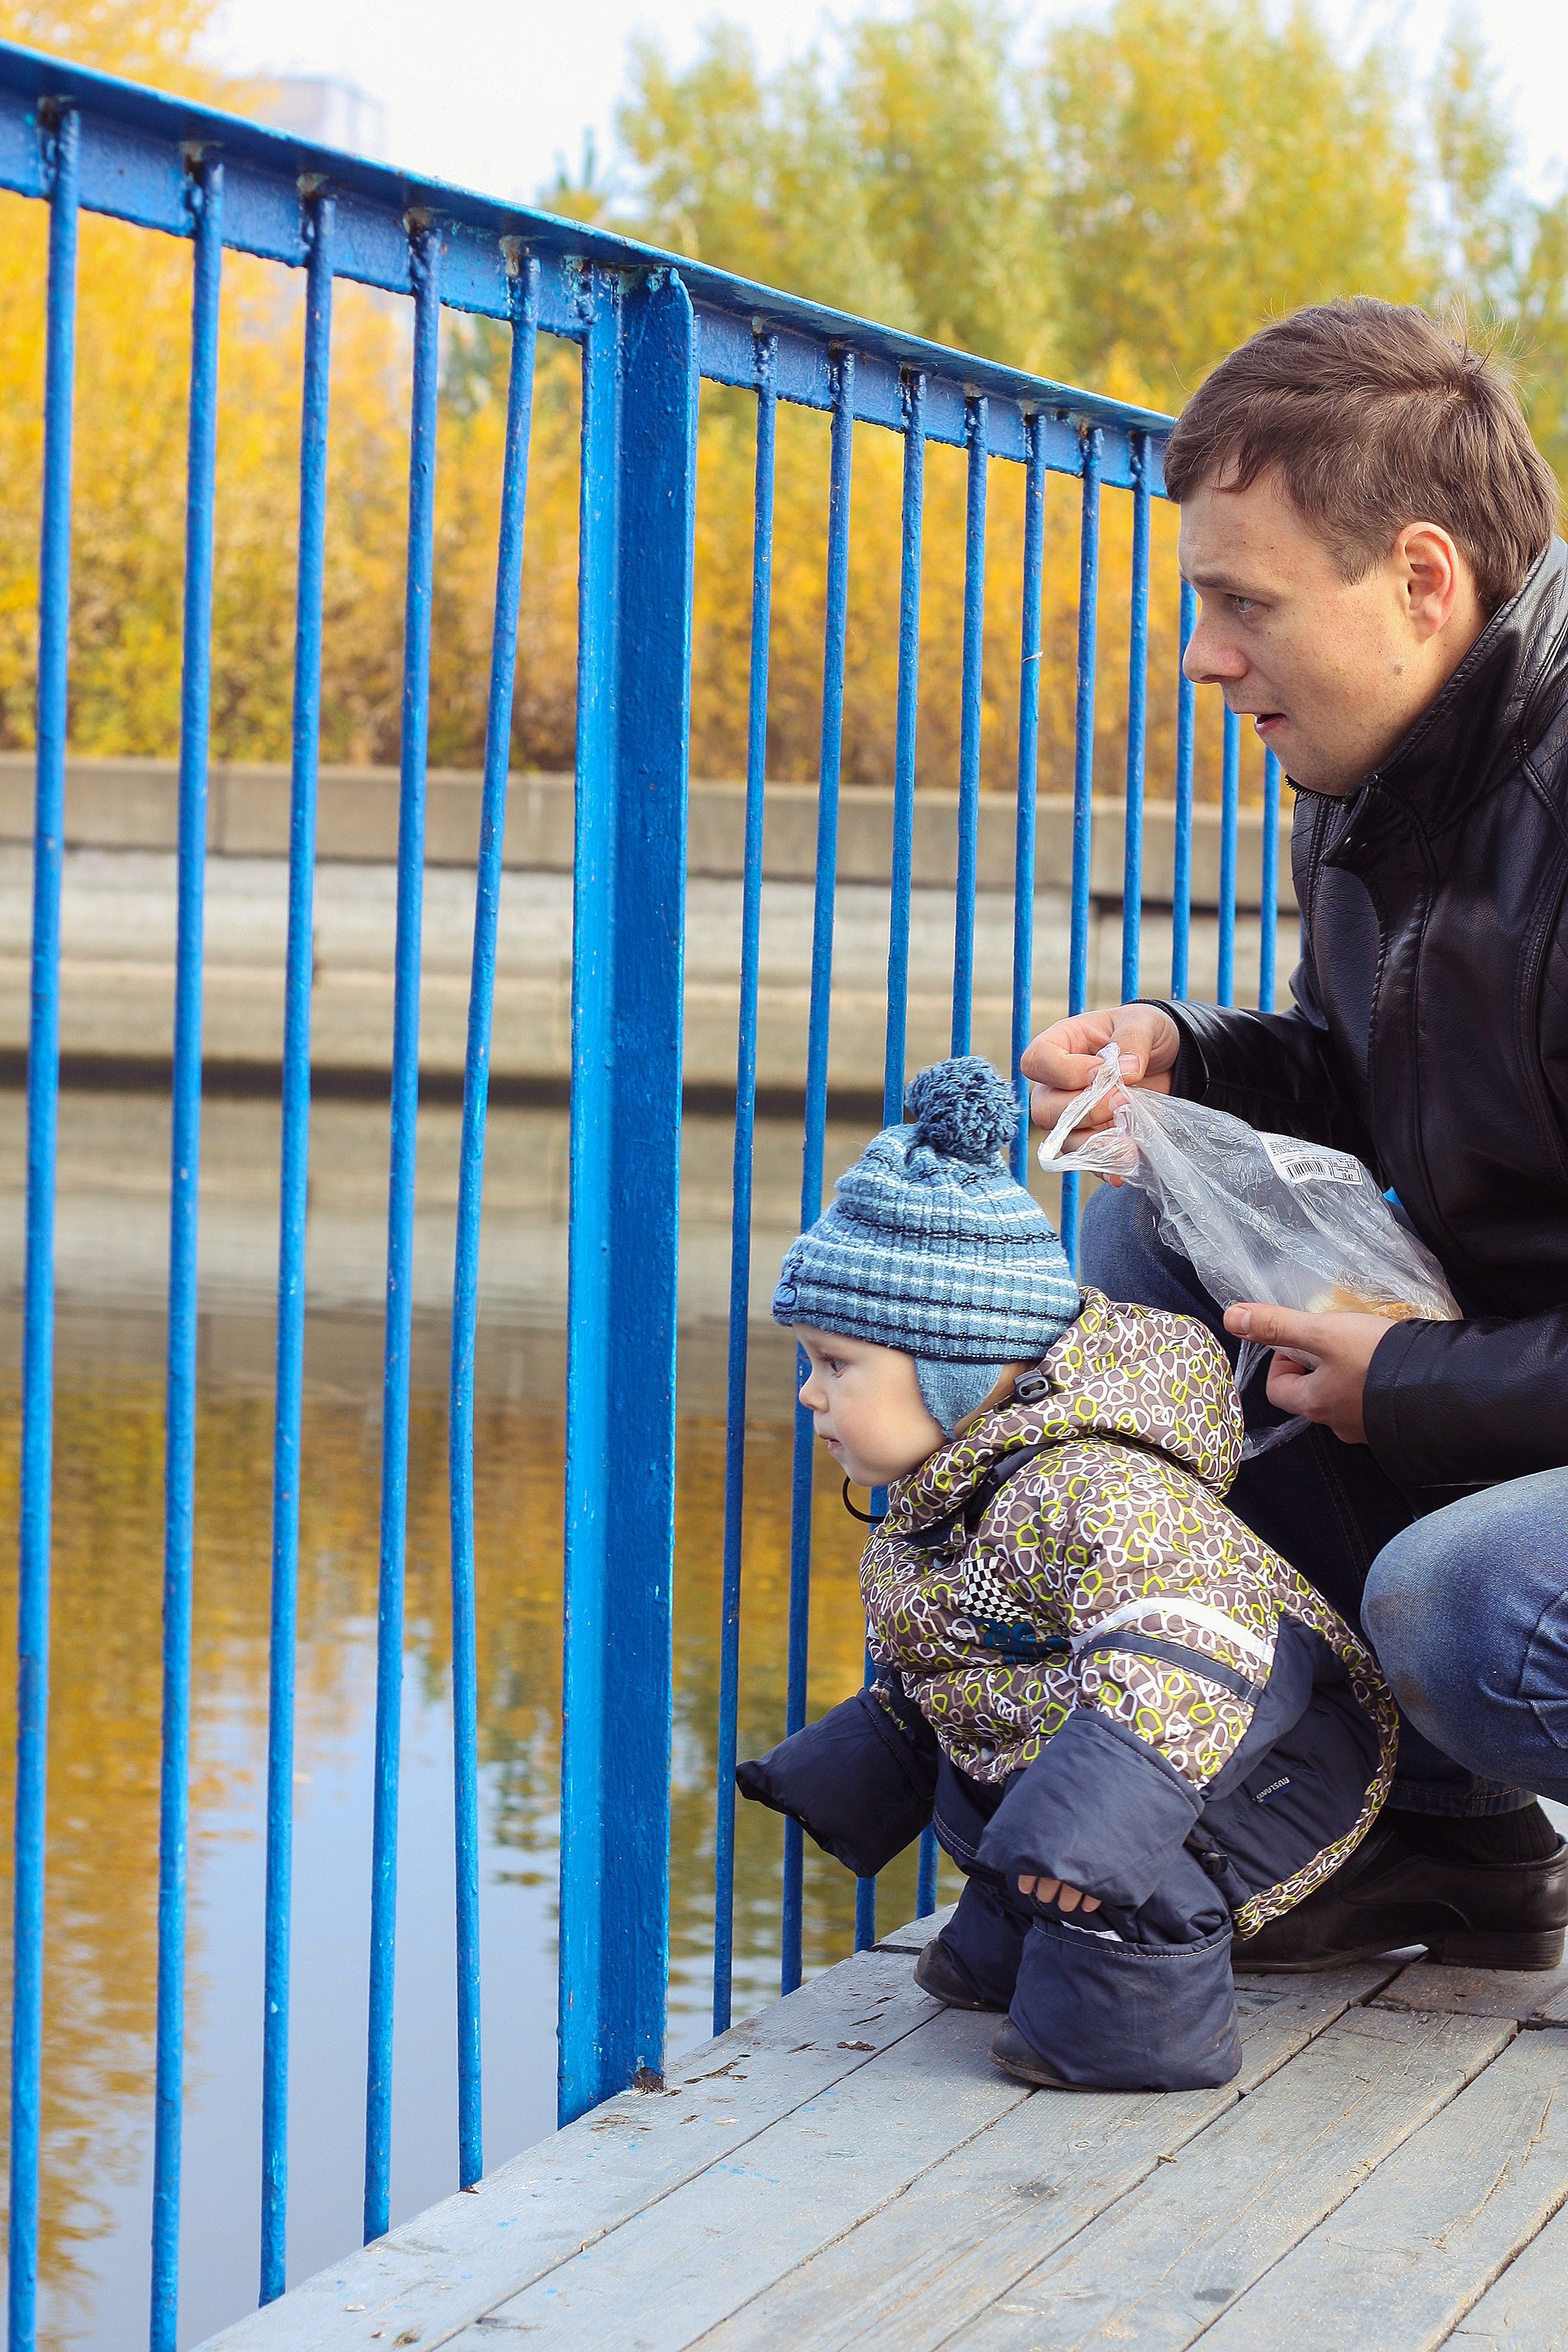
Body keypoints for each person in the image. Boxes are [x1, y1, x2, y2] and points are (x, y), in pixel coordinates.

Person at [1023, 297, 1568, 1971]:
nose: (1201, 655)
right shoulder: (1377, 767)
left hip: (1500, 1376)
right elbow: (1396, 1065)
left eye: (1238, 604)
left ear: (1421, 582)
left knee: (1467, 1610)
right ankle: (1439, 1844)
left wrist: (1403, 1382)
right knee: (1149, 1226)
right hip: (1515, 1352)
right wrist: (1197, 1060)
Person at [738, 1056, 1399, 2092]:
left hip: (1256, 1767)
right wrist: (872, 1750)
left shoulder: (1088, 1487)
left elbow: (1196, 1645)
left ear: (956, 1367)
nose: (811, 1397)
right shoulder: (953, 1485)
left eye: (837, 1365)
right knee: (1051, 1802)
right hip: (1131, 1746)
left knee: (1110, 1854)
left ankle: (1129, 2022)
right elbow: (954, 1643)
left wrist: (1096, 1822)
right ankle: (1020, 1925)